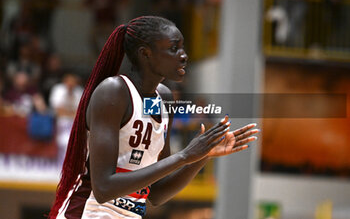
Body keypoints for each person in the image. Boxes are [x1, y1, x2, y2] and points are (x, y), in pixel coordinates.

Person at [49, 16, 259, 219]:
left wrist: (202, 156)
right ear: (145, 54)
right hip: (88, 211)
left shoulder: (165, 97)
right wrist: (185, 155)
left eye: (182, 48)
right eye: (173, 48)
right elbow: (103, 189)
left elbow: (158, 193)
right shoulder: (113, 92)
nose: (183, 56)